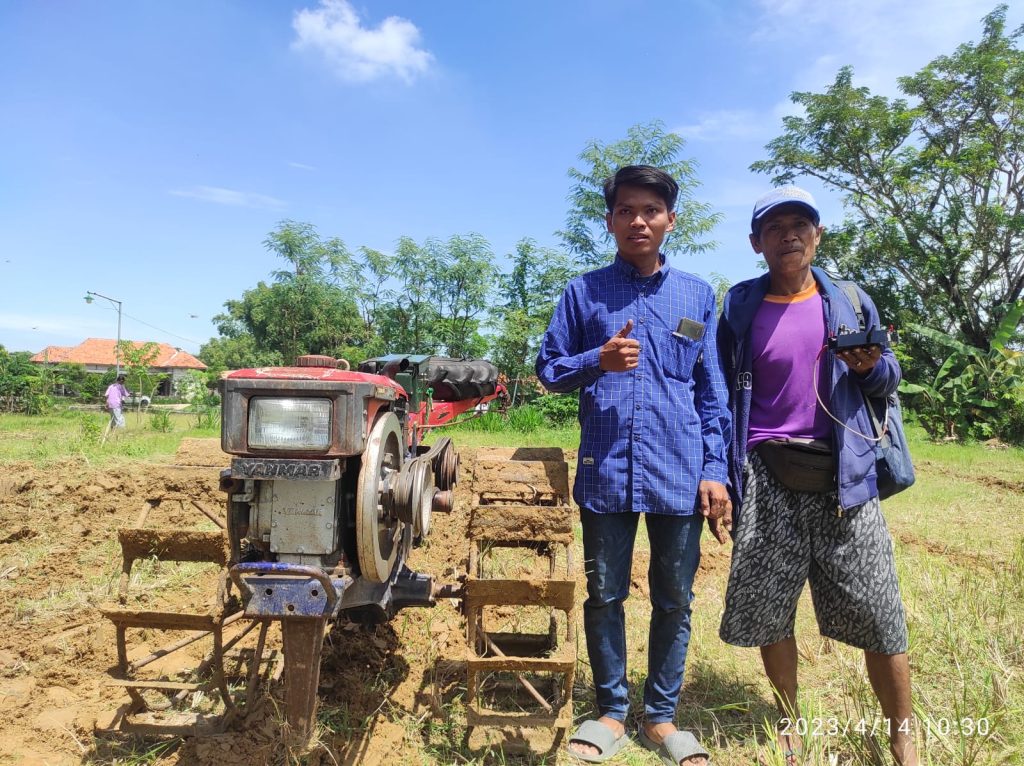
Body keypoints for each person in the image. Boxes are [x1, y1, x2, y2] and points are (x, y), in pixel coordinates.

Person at [714, 186, 919, 766]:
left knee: (881, 612)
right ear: (757, 243)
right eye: (774, 227)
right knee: (772, 609)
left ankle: (902, 733)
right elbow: (724, 385)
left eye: (801, 224)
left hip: (844, 478)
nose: (789, 235)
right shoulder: (739, 306)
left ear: (818, 235)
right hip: (765, 476)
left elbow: (889, 380)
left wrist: (873, 366)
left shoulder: (851, 301)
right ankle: (788, 722)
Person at [536, 165, 731, 765]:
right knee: (604, 594)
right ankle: (612, 712)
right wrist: (598, 359)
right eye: (626, 211)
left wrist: (715, 468)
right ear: (610, 221)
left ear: (671, 220)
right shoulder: (582, 293)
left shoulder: (697, 297)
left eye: (651, 210)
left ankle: (662, 716)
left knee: (674, 598)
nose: (638, 221)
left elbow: (711, 390)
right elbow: (548, 370)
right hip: (606, 467)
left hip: (678, 467)